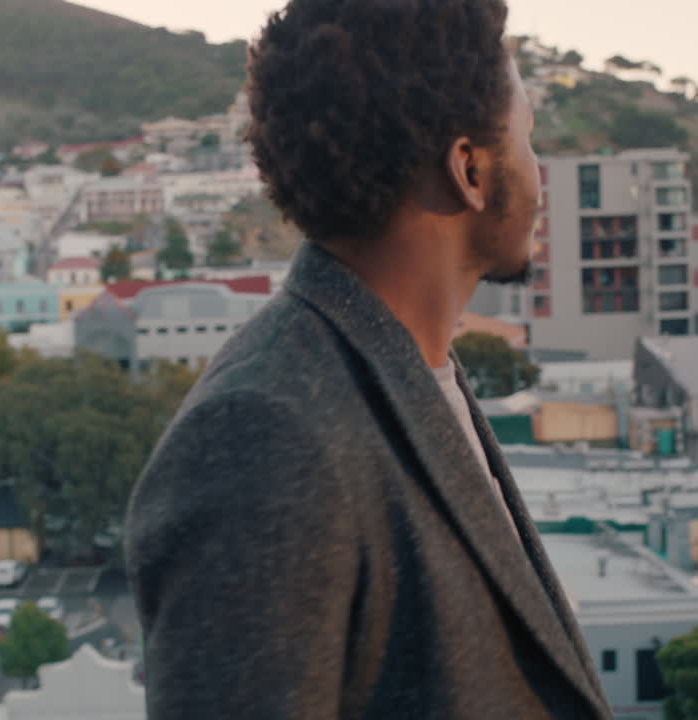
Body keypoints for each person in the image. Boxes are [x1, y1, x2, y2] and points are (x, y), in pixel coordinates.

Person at [125, 0, 612, 718]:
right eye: (528, 139)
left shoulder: (406, 373)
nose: (540, 172)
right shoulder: (263, 437)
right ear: (469, 170)